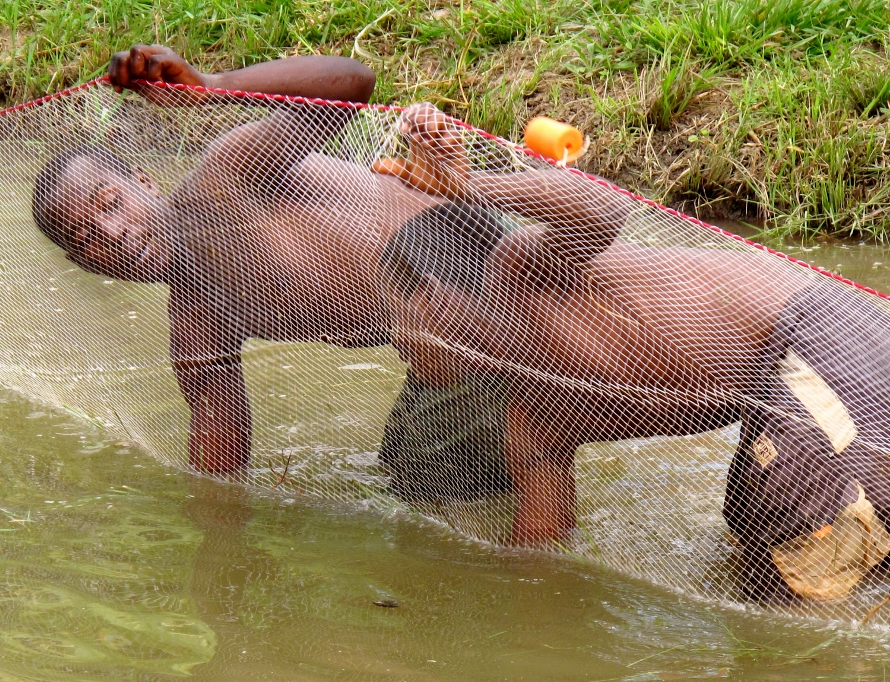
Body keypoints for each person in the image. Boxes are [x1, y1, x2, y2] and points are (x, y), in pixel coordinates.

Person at [30, 45, 623, 478]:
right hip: (446, 348)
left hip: (483, 261)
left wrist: (215, 83)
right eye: (83, 239)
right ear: (84, 266)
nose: (112, 233)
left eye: (111, 204)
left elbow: (353, 83)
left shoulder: (224, 177)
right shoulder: (196, 319)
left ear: (144, 180)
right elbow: (218, 448)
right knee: (423, 471)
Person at [378, 103, 890, 601]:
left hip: (818, 336)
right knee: (758, 552)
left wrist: (468, 187)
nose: (396, 343)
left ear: (429, 295)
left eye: (394, 313)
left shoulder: (519, 271)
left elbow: (606, 207)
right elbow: (538, 557)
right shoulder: (531, 415)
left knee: (804, 547)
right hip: (769, 391)